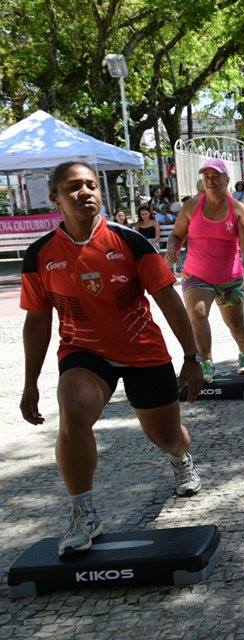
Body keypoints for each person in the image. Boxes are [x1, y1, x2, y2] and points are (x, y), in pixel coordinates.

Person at [20, 161, 203, 556]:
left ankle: (180, 457)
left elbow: (168, 299)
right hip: (84, 353)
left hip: (142, 350)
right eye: (74, 186)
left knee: (167, 437)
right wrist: (30, 383)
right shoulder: (39, 255)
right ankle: (83, 513)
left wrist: (192, 357)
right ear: (54, 198)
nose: (85, 192)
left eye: (91, 185)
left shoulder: (130, 241)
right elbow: (37, 321)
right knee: (73, 413)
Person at [164, 158, 244, 382]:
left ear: (227, 179)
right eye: (206, 177)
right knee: (197, 314)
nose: (210, 180)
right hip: (196, 275)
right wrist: (172, 249)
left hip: (229, 278)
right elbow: (176, 234)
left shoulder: (238, 209)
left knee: (235, 322)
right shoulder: (192, 206)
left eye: (215, 176)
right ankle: (206, 363)